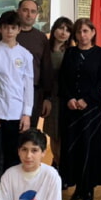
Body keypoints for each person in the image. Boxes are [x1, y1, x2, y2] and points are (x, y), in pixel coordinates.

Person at [58, 18, 101, 200]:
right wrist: (70, 98)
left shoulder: (100, 53)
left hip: (92, 108)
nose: (82, 35)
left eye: (86, 31)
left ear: (93, 32)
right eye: (79, 32)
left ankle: (88, 187)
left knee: (90, 146)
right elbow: (63, 79)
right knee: (73, 147)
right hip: (71, 109)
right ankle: (77, 187)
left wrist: (87, 99)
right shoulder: (70, 52)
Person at [0, 0, 53, 129]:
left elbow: (46, 68)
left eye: (33, 11)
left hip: (32, 92)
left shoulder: (41, 38)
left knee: (28, 132)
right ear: (18, 11)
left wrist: (47, 97)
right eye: (25, 10)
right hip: (0, 95)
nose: (29, 14)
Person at [0, 11, 33, 172]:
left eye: (13, 28)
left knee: (14, 155)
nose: (9, 31)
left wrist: (27, 114)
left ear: (19, 29)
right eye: (5, 27)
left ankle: (12, 185)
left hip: (17, 112)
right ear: (0, 29)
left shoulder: (25, 55)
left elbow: (28, 86)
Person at [43, 16, 73, 170]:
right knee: (53, 133)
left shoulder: (71, 52)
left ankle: (63, 166)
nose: (63, 32)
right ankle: (57, 162)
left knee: (64, 134)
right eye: (61, 28)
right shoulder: (45, 50)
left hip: (66, 98)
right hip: (50, 98)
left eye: (67, 30)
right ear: (54, 29)